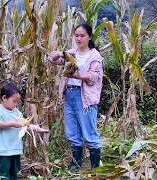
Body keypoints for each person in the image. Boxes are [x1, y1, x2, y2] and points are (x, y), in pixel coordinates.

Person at [48, 23, 104, 171]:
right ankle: (75, 164)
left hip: (84, 97)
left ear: (89, 37)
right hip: (70, 94)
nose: (79, 38)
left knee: (89, 132)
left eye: (82, 35)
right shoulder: (71, 53)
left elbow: (94, 77)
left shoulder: (95, 56)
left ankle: (95, 167)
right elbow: (54, 61)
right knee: (72, 131)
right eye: (77, 35)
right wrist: (55, 54)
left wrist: (78, 76)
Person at [0, 82, 24, 180]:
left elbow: (24, 123)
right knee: (2, 174)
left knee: (14, 172)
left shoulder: (17, 112)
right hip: (2, 150)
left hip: (15, 149)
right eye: (14, 101)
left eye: (17, 102)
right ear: (4, 98)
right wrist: (12, 124)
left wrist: (35, 128)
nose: (16, 104)